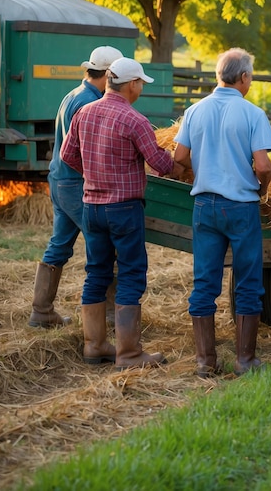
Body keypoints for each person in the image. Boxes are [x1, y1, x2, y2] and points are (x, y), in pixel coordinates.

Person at [61, 57, 183, 369]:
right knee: (130, 273)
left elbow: (67, 154)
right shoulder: (135, 120)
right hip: (124, 208)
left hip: (92, 206)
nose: (141, 88)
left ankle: (95, 345)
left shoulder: (84, 112)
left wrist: (93, 174)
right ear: (131, 85)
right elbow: (160, 163)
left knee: (96, 272)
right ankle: (129, 353)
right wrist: (182, 164)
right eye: (141, 82)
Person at [173, 47, 271, 378]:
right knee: (248, 282)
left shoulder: (194, 111)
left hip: (205, 205)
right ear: (244, 77)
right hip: (241, 206)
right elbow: (263, 165)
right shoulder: (252, 114)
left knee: (204, 282)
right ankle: (245, 360)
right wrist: (263, 186)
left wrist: (197, 174)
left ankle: (205, 361)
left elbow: (178, 157)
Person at [29, 45, 123, 329]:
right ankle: (105, 315)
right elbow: (84, 150)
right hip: (76, 183)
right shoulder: (87, 103)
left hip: (60, 179)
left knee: (60, 243)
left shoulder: (75, 94)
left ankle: (41, 311)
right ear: (107, 74)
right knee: (104, 244)